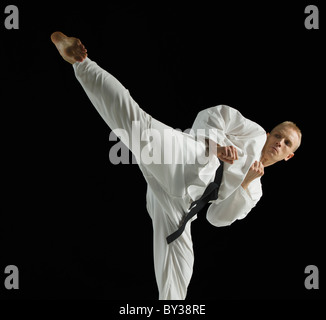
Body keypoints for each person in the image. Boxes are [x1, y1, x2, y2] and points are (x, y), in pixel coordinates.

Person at [50, 32, 302, 299]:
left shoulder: (255, 191)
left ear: (289, 156)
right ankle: (81, 62)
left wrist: (246, 182)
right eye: (278, 135)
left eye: (287, 143)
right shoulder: (254, 134)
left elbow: (216, 218)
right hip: (190, 159)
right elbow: (214, 115)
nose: (279, 142)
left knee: (180, 267)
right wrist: (216, 147)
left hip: (182, 204)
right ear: (271, 133)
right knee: (137, 125)